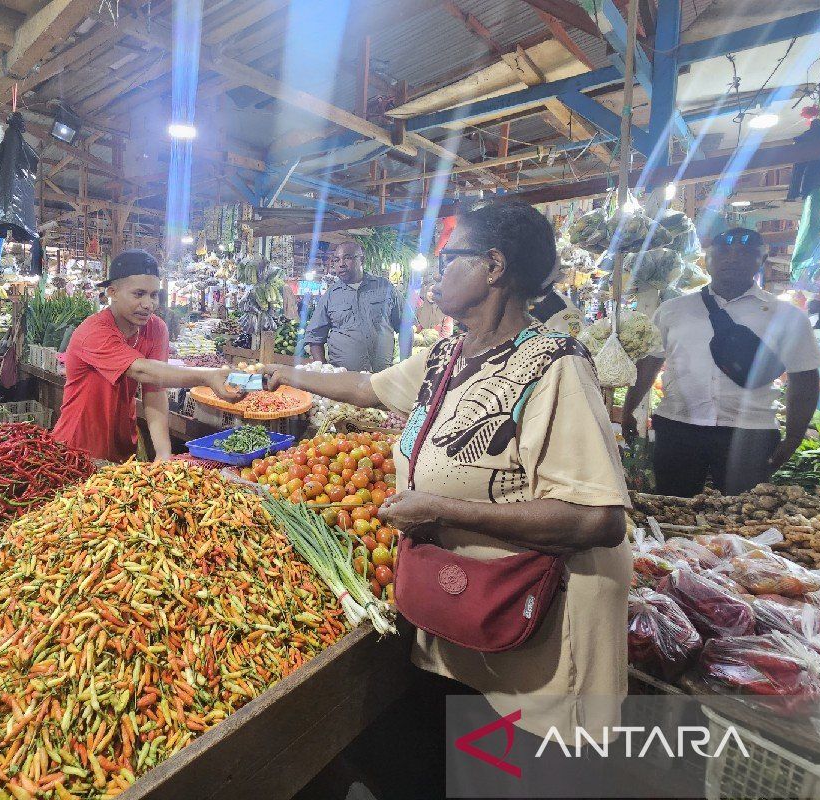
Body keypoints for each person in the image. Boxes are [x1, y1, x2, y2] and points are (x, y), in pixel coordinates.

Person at [264, 200, 629, 795]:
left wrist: (440, 509)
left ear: (493, 266)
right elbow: (366, 387)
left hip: (540, 626)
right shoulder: (451, 355)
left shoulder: (555, 367)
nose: (435, 274)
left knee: (513, 780)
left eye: (448, 259)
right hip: (472, 610)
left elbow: (599, 519)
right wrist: (288, 373)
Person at [622, 227, 820, 497]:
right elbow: (649, 363)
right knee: (671, 506)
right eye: (724, 251)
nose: (733, 258)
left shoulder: (787, 316)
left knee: (744, 512)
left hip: (750, 433)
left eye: (745, 252)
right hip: (678, 427)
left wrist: (794, 437)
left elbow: (804, 377)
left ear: (762, 259)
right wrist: (629, 409)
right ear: (707, 258)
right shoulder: (673, 311)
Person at [50, 249, 242, 463]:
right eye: (138, 294)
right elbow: (142, 371)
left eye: (154, 295)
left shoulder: (156, 329)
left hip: (122, 449)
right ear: (112, 292)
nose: (148, 304)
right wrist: (207, 376)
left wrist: (163, 452)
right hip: (76, 450)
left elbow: (155, 389)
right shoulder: (94, 331)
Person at [305, 241, 402, 371]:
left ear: (362, 260)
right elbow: (315, 337)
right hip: (344, 377)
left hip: (382, 375)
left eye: (347, 258)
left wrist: (406, 365)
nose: (341, 264)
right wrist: (322, 369)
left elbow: (405, 327)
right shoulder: (331, 295)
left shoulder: (385, 287)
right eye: (336, 260)